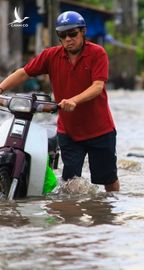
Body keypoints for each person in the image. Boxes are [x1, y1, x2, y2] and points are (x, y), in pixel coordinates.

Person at [0, 11, 119, 192]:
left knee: (108, 179)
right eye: (62, 35)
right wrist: (0, 88)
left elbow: (97, 86)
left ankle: (110, 212)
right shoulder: (51, 55)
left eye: (72, 34)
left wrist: (74, 100)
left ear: (83, 32)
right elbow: (24, 72)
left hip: (99, 130)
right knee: (70, 184)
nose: (68, 39)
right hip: (69, 131)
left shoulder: (97, 53)